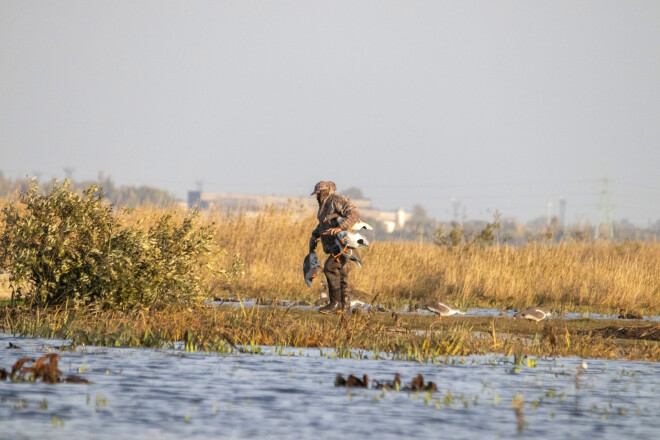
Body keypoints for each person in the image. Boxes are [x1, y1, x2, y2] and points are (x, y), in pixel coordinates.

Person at [308, 181, 360, 314]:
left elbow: (353, 213)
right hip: (333, 247)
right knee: (342, 275)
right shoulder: (325, 204)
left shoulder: (336, 200)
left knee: (330, 268)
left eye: (318, 193)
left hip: (341, 245)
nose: (316, 197)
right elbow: (323, 224)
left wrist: (339, 228)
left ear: (325, 191)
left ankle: (335, 304)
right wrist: (314, 236)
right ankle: (344, 308)